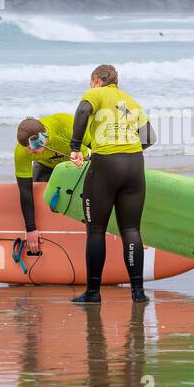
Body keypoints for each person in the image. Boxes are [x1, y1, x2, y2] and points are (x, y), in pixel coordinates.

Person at [67, 64, 154, 305]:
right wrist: (127, 151)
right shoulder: (129, 101)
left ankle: (93, 293)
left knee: (96, 231)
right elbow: (149, 137)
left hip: (105, 165)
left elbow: (83, 112)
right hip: (135, 164)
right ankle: (138, 292)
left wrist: (75, 148)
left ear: (96, 79)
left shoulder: (95, 93)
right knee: (131, 230)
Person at [14, 114, 93, 255]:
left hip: (77, 160)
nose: (31, 152)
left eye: (34, 146)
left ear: (44, 135)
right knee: (40, 197)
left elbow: (100, 148)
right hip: (45, 166)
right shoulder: (22, 152)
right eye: (28, 148)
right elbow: (25, 190)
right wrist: (30, 229)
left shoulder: (65, 126)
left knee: (86, 193)